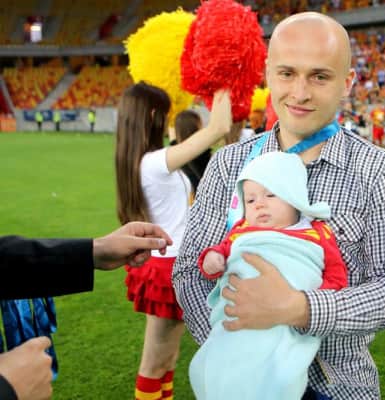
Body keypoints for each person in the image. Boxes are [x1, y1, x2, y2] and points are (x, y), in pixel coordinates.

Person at [173, 12, 385, 400]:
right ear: (268, 74)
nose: (300, 93)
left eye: (319, 77)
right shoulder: (228, 164)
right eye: (287, 73)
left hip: (337, 387)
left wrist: (298, 309)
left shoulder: (383, 171)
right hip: (241, 384)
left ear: (347, 83)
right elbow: (188, 271)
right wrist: (234, 343)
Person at [190, 152, 347, 399]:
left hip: (291, 317)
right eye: (250, 200)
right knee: (222, 366)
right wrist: (213, 259)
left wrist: (307, 302)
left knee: (281, 372)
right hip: (239, 314)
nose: (259, 204)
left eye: (271, 195)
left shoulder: (317, 232)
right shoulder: (242, 230)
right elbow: (222, 251)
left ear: (294, 196)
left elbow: (336, 277)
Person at [115, 82, 232, 400]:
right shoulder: (154, 162)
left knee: (166, 359)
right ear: (154, 114)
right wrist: (224, 79)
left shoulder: (142, 159)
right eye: (165, 114)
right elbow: (219, 127)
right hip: (168, 266)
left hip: (169, 262)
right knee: (155, 363)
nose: (168, 120)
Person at [0, 222, 172, 400]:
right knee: (156, 362)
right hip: (163, 272)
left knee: (166, 359)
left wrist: (94, 251)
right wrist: (7, 386)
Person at [172, 109, 212, 193]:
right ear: (193, 129)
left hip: (187, 194)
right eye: (200, 125)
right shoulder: (200, 153)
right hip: (201, 194)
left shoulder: (175, 150)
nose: (203, 128)